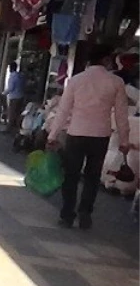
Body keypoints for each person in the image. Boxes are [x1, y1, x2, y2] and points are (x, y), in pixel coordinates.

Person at [48, 44, 131, 229]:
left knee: (71, 175)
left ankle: (67, 215)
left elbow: (63, 110)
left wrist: (52, 135)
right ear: (106, 60)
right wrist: (124, 141)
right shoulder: (116, 82)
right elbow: (121, 115)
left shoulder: (76, 81)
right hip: (100, 135)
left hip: (76, 133)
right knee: (92, 177)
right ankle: (85, 213)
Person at [5, 62, 27, 132]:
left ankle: (9, 129)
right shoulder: (20, 76)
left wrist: (4, 93)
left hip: (14, 97)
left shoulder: (12, 76)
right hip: (21, 96)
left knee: (11, 113)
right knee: (17, 113)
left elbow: (11, 87)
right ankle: (17, 129)